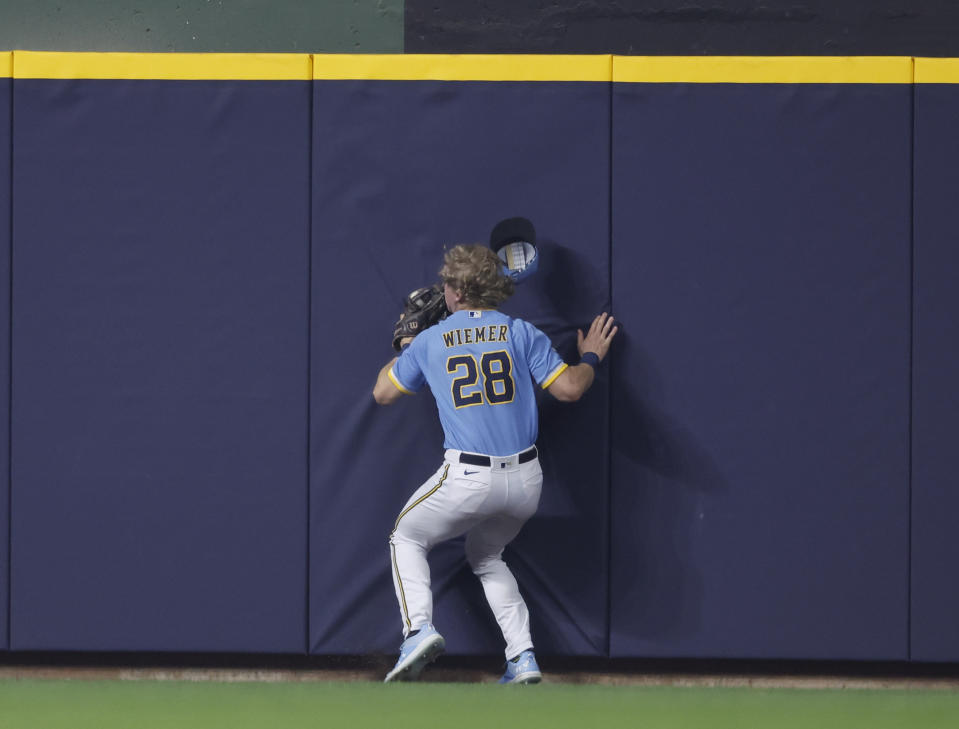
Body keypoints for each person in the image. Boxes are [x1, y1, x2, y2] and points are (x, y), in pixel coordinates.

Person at [372, 244, 617, 684]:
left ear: (459, 293)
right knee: (486, 555)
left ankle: (417, 631)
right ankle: (522, 657)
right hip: (525, 483)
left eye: (448, 283)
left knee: (405, 538)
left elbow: (382, 394)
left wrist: (408, 345)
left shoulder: (431, 340)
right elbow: (571, 389)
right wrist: (591, 357)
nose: (443, 289)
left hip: (467, 478)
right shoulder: (521, 331)